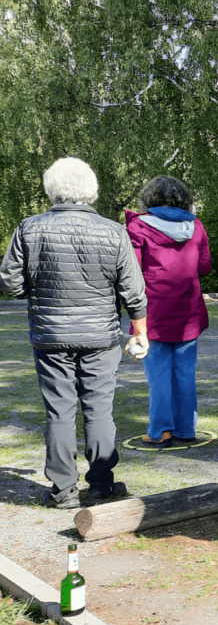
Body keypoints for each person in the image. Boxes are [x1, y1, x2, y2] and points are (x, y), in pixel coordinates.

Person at [0, 157, 148, 508]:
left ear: (52, 189)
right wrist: (139, 331)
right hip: (101, 336)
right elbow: (133, 289)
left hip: (50, 335)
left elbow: (9, 282)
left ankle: (63, 490)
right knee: (99, 409)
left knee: (59, 412)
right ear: (91, 191)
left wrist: (33, 288)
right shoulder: (114, 231)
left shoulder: (29, 228)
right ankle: (100, 485)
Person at [126, 176, 211, 448]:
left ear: (149, 198)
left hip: (152, 312)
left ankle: (160, 430)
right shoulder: (196, 226)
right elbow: (205, 266)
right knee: (185, 373)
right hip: (188, 311)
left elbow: (131, 271)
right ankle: (186, 429)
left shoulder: (138, 226)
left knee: (158, 375)